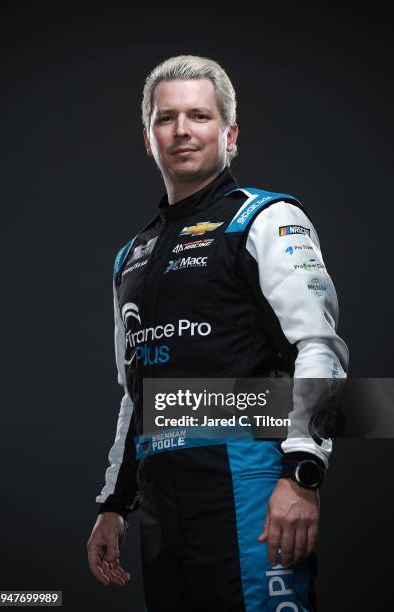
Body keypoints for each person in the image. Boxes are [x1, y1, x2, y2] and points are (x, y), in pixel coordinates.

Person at [86, 55, 349, 611]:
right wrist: (114, 504)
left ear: (230, 134)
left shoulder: (266, 219)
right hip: (164, 504)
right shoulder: (131, 257)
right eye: (167, 118)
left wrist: (303, 473)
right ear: (148, 138)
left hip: (251, 485)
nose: (182, 130)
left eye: (199, 116)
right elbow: (137, 397)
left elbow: (319, 350)